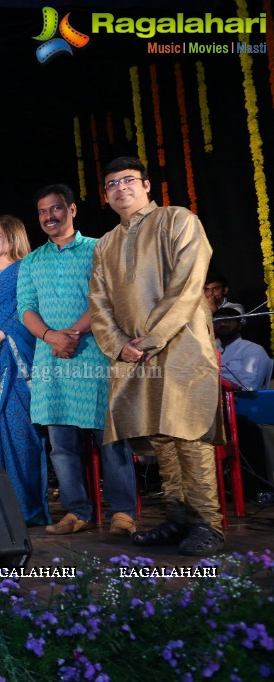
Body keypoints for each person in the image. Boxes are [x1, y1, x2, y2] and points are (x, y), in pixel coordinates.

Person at [90, 156, 224, 556]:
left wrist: (150, 340)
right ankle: (178, 518)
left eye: (129, 180)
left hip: (181, 345)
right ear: (106, 197)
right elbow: (98, 304)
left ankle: (208, 525)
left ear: (147, 186)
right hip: (135, 354)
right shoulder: (106, 244)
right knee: (161, 435)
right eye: (112, 184)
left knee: (189, 431)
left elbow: (188, 282)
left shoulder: (177, 220)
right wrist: (119, 345)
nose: (121, 188)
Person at [17, 184, 138, 537]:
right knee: (62, 446)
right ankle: (76, 512)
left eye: (55, 209)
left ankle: (123, 513)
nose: (48, 216)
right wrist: (50, 336)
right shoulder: (33, 261)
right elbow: (25, 308)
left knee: (110, 439)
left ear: (72, 210)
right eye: (42, 211)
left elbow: (109, 298)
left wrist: (72, 333)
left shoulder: (99, 249)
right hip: (51, 361)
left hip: (95, 356)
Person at [0, 216, 50, 526]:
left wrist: (3, 334)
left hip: (18, 366)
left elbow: (30, 309)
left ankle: (26, 507)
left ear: (13, 239)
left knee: (21, 434)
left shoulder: (27, 270)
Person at [214, 305, 271, 391]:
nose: (222, 324)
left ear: (240, 325)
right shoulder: (211, 351)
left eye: (228, 320)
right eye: (218, 321)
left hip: (239, 401)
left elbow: (248, 388)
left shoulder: (253, 350)